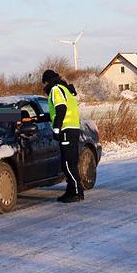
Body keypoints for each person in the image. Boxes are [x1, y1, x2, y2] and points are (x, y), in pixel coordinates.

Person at [42, 69, 84, 203]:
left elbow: (61, 109)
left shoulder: (55, 89)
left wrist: (56, 129)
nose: (44, 87)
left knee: (68, 164)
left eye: (44, 83)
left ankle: (77, 192)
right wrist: (40, 117)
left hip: (66, 130)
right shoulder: (64, 89)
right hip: (72, 129)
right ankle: (71, 191)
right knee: (69, 162)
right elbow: (56, 113)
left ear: (47, 81)